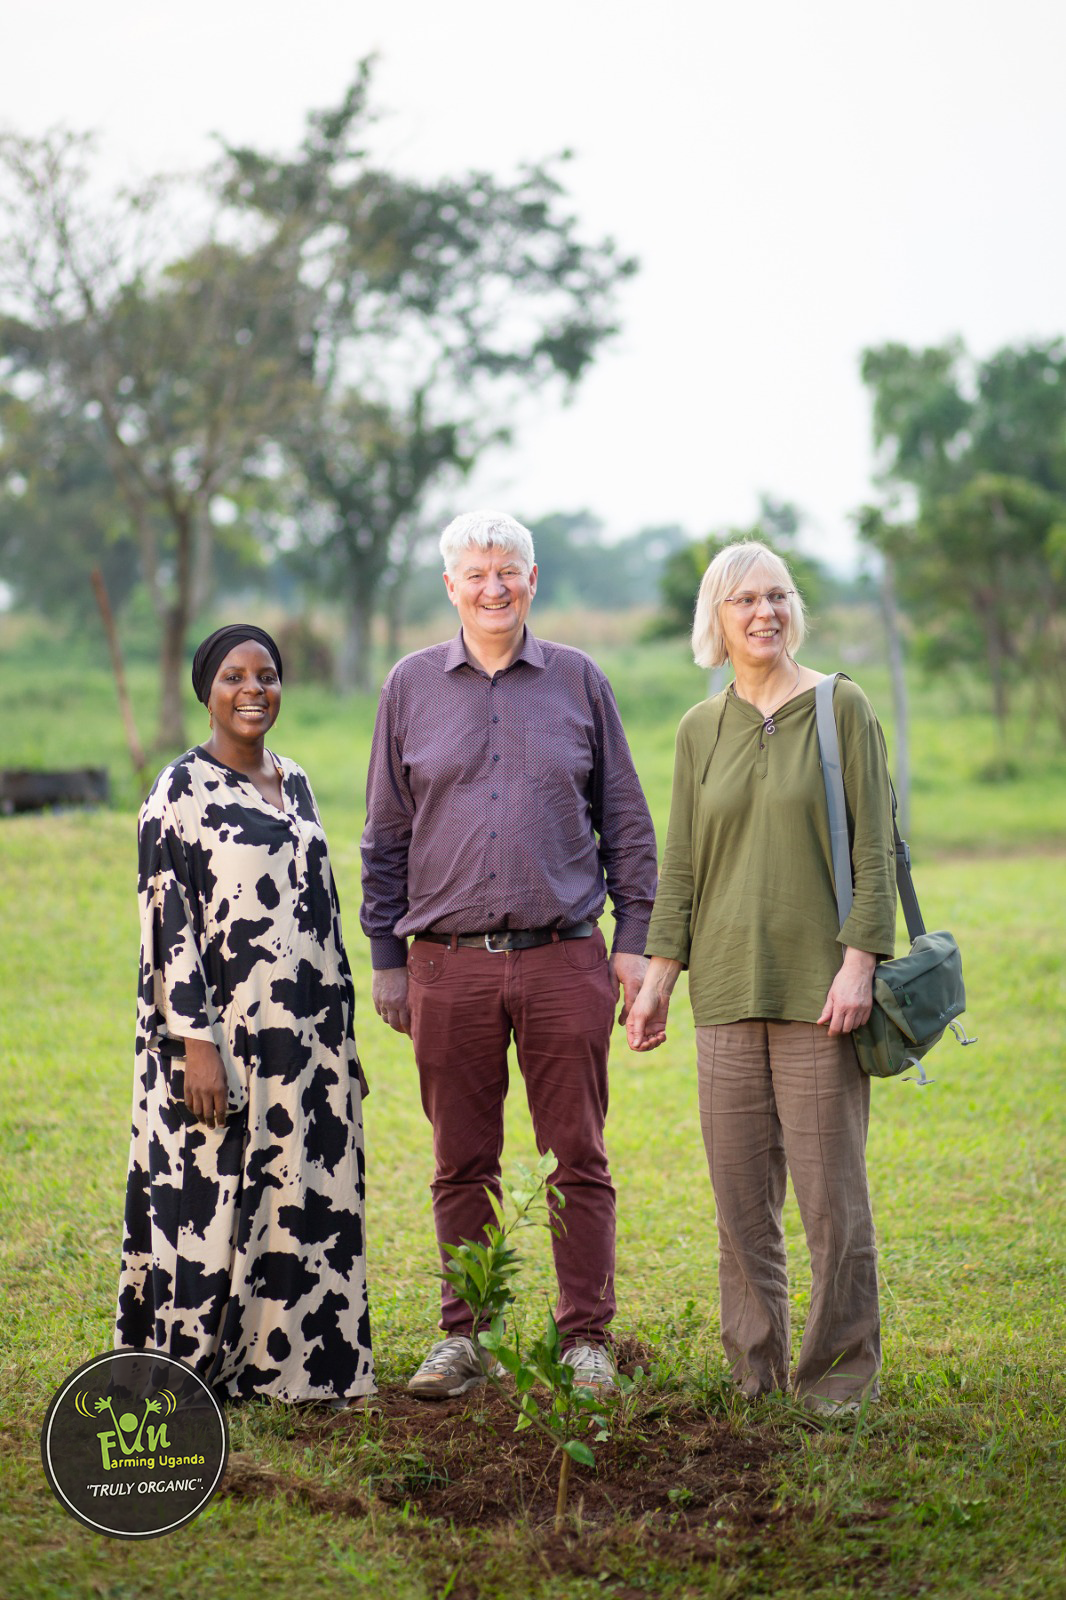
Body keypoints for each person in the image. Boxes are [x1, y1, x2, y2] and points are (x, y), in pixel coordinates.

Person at [360, 510, 658, 1397]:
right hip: (446, 964)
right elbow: (384, 833)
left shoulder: (578, 681)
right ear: (450, 586)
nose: (494, 587)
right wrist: (385, 956)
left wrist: (634, 943)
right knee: (461, 1158)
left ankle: (584, 1342)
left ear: (534, 579)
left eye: (509, 572)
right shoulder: (410, 687)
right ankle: (466, 1337)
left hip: (566, 956)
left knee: (577, 1155)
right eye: (477, 573)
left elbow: (628, 825)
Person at [626, 542, 896, 1415]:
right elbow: (683, 862)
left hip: (823, 997)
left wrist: (860, 962)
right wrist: (660, 976)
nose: (764, 613)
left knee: (831, 1206)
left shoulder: (840, 707)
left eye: (777, 596)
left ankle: (840, 1381)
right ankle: (755, 1372)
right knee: (741, 1207)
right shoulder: (698, 729)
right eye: (744, 600)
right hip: (727, 997)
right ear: (718, 616)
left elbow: (877, 851)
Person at [116, 624, 375, 1407]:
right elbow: (167, 929)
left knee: (306, 1193)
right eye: (234, 676)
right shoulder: (178, 791)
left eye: (267, 675)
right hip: (221, 1037)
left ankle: (300, 1371)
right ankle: (195, 1369)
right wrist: (195, 1044)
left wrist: (343, 1044)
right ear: (207, 690)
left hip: (307, 1037)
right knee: (214, 1199)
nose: (253, 690)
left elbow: (324, 918)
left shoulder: (294, 781)